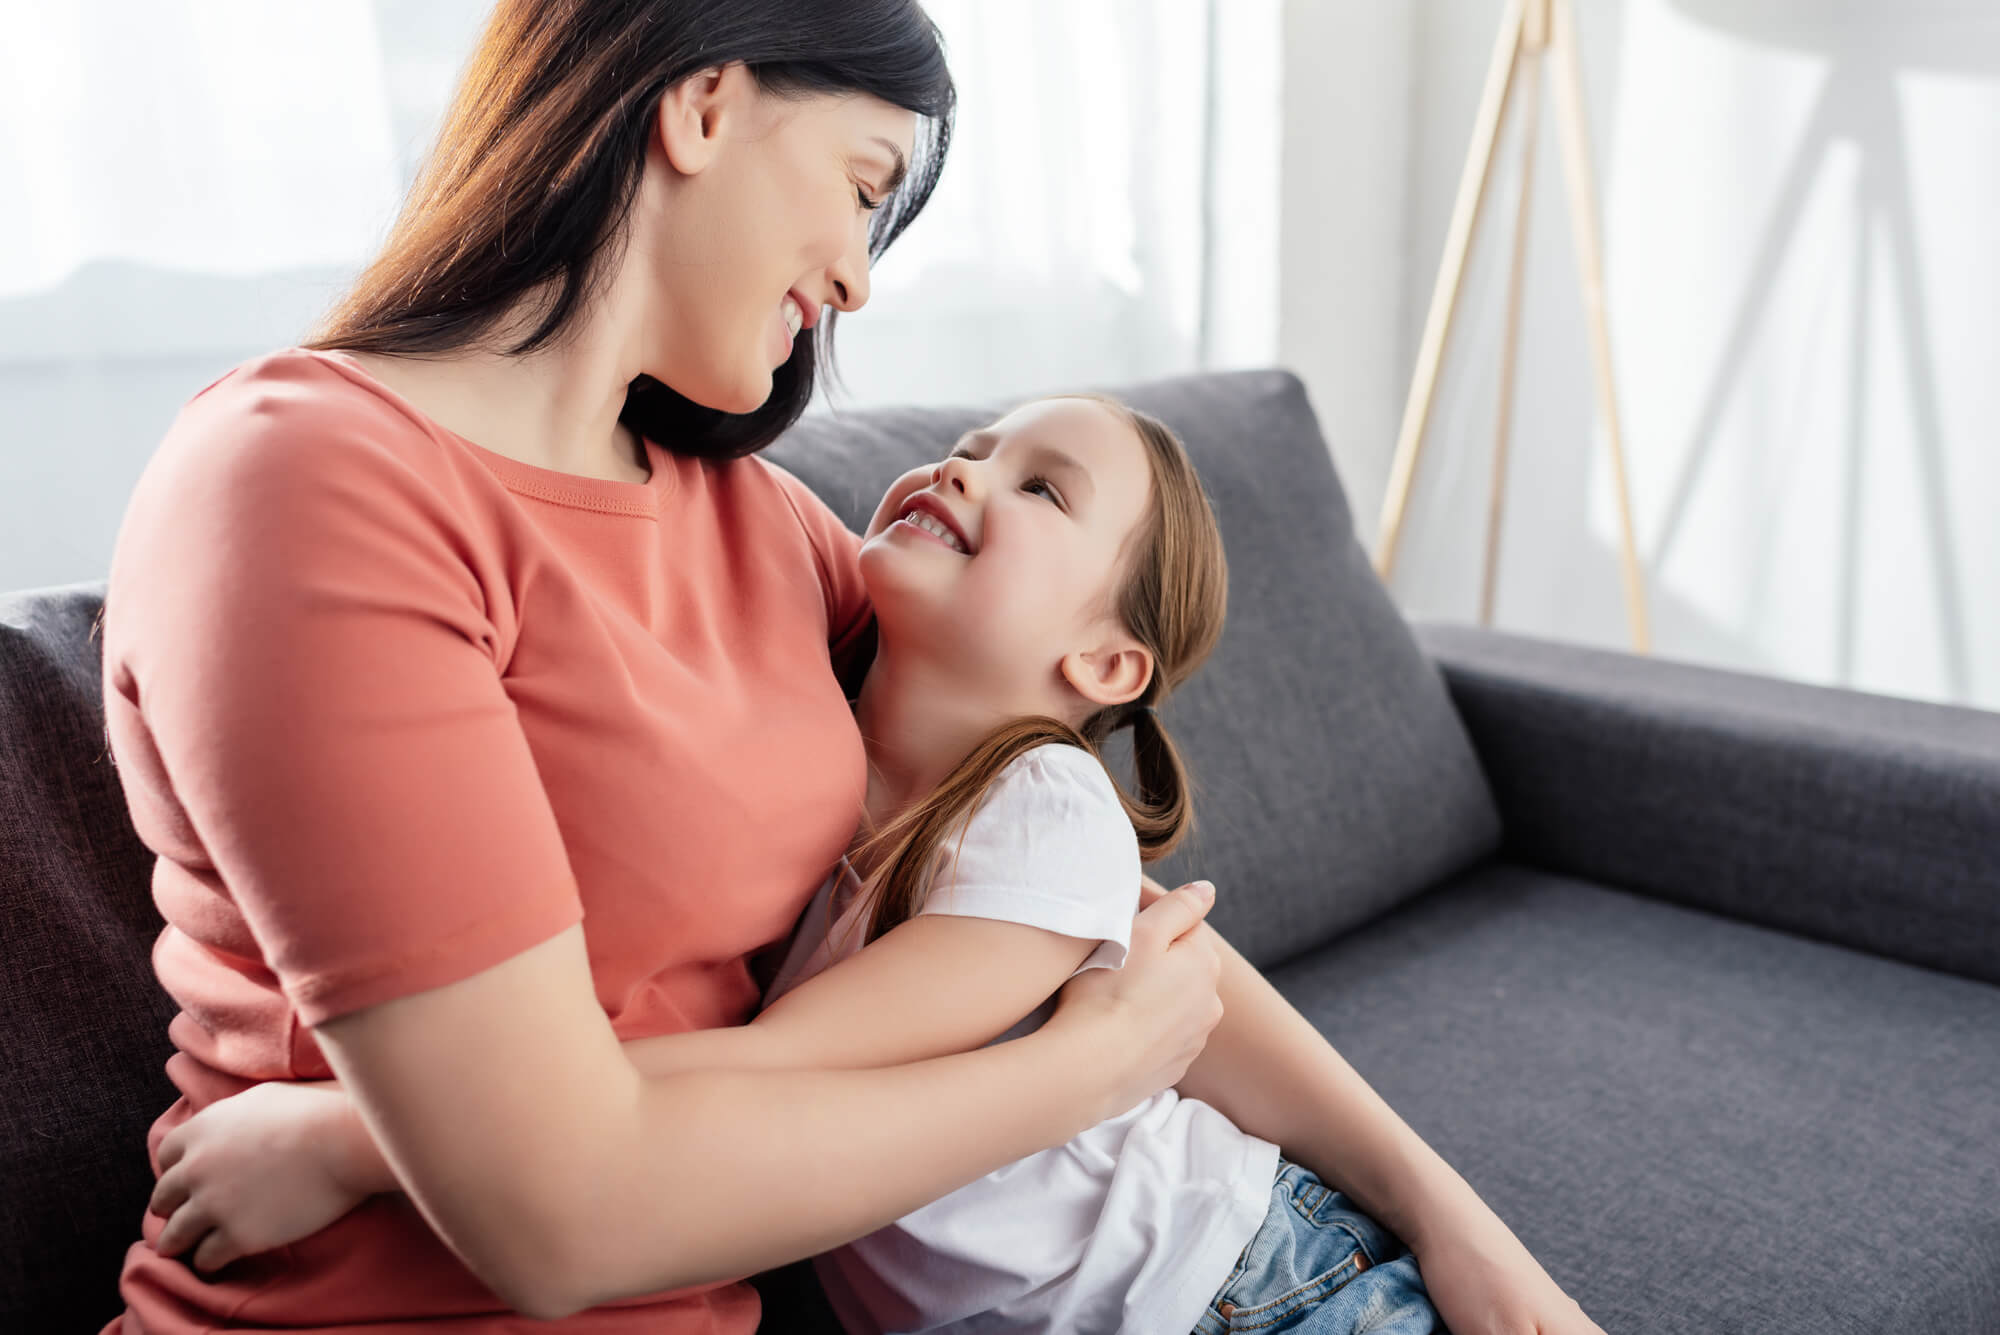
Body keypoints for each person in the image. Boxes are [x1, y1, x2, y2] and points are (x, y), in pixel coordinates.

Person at [98, 3, 1227, 1332]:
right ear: (703, 106)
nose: (860, 280)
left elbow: (1058, 867)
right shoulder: (308, 485)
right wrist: (1080, 1076)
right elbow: (561, 1225)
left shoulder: (761, 528)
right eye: (864, 186)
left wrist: (1443, 1217)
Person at [146, 398, 1606, 1335]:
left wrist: (353, 1136)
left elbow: (787, 1073)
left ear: (1101, 662)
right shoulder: (810, 729)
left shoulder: (1043, 813)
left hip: (1250, 1296)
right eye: (977, 446)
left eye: (1042, 489)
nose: (969, 468)